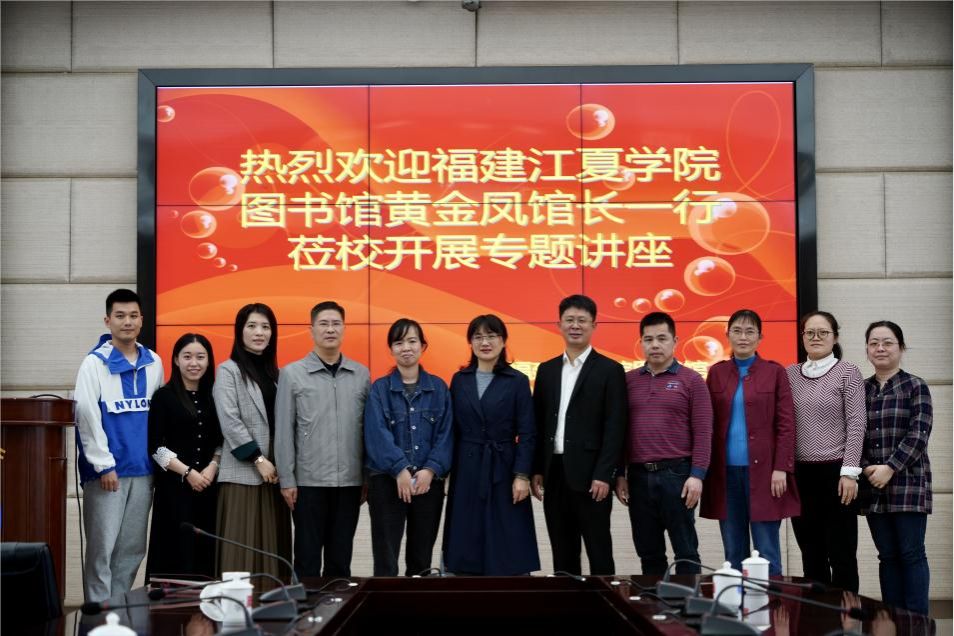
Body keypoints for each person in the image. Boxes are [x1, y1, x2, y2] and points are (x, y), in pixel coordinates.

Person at [74, 288, 164, 602]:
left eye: (133, 316)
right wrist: (104, 465)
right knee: (102, 550)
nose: (127, 322)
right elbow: (86, 415)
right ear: (107, 320)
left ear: (142, 320)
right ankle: (98, 615)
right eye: (120, 316)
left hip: (143, 472)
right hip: (107, 474)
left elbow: (159, 416)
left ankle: (118, 610)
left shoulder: (154, 362)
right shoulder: (94, 364)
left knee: (132, 549)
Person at [700, 309, 799, 575]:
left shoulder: (775, 372)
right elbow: (706, 424)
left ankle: (772, 600)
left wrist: (781, 468)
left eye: (750, 331)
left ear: (760, 337)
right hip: (725, 475)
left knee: (767, 551)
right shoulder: (716, 373)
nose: (743, 337)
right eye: (737, 331)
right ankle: (737, 601)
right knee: (733, 553)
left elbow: (786, 424)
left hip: (765, 474)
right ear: (727, 335)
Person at [531, 295, 626, 576]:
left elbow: (615, 427)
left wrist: (605, 474)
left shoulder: (610, 370)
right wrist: (537, 469)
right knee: (562, 552)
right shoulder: (547, 370)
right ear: (559, 324)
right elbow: (538, 423)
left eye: (582, 320)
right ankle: (568, 602)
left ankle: (605, 601)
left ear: (594, 325)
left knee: (599, 551)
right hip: (555, 473)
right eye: (569, 320)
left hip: (592, 476)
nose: (575, 326)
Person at [275, 301, 370, 577]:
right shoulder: (292, 374)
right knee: (307, 558)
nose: (330, 329)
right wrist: (287, 479)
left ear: (344, 328)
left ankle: (338, 605)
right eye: (324, 324)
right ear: (311, 330)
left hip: (350, 482)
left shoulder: (361, 375)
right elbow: (284, 431)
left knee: (340, 560)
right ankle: (307, 607)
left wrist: (366, 477)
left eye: (336, 323)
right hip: (308, 483)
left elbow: (367, 430)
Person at [615, 311, 712, 576]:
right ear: (641, 343)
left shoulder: (692, 380)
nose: (655, 345)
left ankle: (687, 601)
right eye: (648, 339)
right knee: (649, 552)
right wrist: (620, 474)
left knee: (686, 551)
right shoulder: (627, 381)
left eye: (662, 338)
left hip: (677, 475)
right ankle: (652, 601)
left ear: (675, 341)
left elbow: (704, 432)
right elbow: (619, 432)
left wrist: (697, 475)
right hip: (638, 477)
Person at [444, 315, 540, 575]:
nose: (484, 342)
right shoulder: (460, 379)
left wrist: (522, 475)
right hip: (467, 466)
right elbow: (451, 430)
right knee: (467, 532)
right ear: (470, 342)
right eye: (478, 337)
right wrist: (445, 472)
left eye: (491, 336)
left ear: (503, 340)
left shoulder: (517, 380)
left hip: (504, 466)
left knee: (507, 537)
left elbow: (528, 432)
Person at [364, 319, 453, 576]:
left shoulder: (439, 388)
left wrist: (430, 470)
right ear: (391, 349)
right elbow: (376, 434)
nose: (406, 348)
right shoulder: (380, 389)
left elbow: (447, 434)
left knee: (421, 559)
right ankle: (386, 601)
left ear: (423, 346)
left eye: (412, 341)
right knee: (386, 559)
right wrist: (399, 469)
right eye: (399, 342)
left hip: (428, 483)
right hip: (387, 482)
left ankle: (416, 601)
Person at [786, 310, 865, 593]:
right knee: (811, 553)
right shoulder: (789, 374)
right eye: (810, 332)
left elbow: (857, 423)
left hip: (837, 473)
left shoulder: (848, 372)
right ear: (803, 337)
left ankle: (847, 615)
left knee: (842, 553)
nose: (816, 337)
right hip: (800, 475)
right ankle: (817, 615)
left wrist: (850, 473)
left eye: (823, 332)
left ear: (835, 337)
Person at [213, 303, 291, 582]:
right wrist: (258, 459)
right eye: (252, 326)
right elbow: (230, 421)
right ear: (240, 331)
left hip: (275, 474)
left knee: (274, 547)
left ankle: (272, 602)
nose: (259, 332)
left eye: (265, 327)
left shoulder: (278, 375)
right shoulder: (228, 370)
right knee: (241, 549)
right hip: (243, 473)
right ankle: (240, 606)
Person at [860, 321, 932, 615]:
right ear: (867, 349)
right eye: (874, 343)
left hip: (908, 484)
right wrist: (866, 468)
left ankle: (917, 623)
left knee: (911, 554)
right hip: (873, 487)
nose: (880, 348)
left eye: (887, 342)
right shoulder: (861, 390)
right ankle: (892, 620)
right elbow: (853, 434)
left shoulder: (916, 386)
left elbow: (919, 435)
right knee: (887, 556)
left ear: (900, 348)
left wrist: (890, 468)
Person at [146, 333, 222, 579]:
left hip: (209, 488)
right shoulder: (163, 396)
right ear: (176, 360)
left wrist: (213, 466)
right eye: (187, 357)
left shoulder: (215, 396)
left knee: (206, 555)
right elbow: (156, 447)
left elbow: (222, 440)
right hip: (174, 490)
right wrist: (188, 472)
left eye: (200, 357)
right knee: (175, 554)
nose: (194, 363)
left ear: (209, 361)